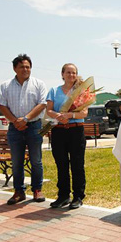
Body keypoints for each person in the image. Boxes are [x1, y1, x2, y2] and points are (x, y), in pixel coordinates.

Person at [0, 54, 47, 205]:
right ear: (14, 68)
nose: (25, 69)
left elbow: (42, 104)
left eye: (28, 67)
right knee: (16, 161)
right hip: (14, 128)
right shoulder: (5, 85)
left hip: (34, 126)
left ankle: (37, 190)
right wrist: (15, 121)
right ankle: (19, 191)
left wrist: (25, 119)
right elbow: (2, 105)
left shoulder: (39, 84)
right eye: (22, 67)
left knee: (36, 161)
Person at [45, 63, 87, 209]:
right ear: (62, 74)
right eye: (68, 72)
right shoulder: (54, 91)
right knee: (61, 165)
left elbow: (84, 113)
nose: (71, 75)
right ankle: (63, 196)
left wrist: (70, 115)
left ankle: (78, 196)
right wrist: (57, 115)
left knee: (77, 164)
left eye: (74, 72)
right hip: (59, 131)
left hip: (76, 131)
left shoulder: (80, 92)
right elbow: (48, 110)